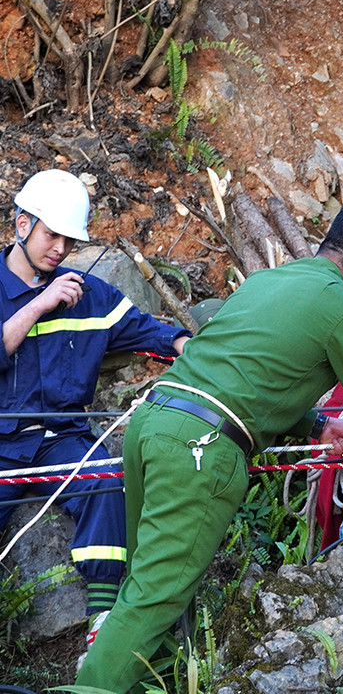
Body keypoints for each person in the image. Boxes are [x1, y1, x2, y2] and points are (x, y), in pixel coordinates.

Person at [77, 203, 343, 692]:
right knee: (153, 599)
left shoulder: (267, 282)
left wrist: (318, 425)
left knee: (145, 584)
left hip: (153, 422)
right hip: (199, 449)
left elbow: (242, 375)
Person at [0, 169, 191, 649]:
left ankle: (101, 625)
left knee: (105, 481)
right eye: (52, 235)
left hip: (60, 442)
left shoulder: (89, 294)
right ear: (22, 224)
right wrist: (39, 305)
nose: (60, 249)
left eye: (69, 240)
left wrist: (185, 344)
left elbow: (146, 330)